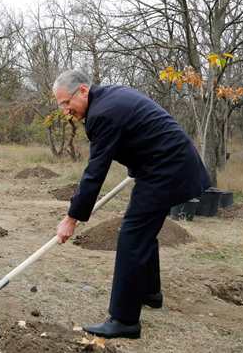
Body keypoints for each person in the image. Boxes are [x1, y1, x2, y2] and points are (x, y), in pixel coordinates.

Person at [53, 70, 210, 339]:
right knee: (141, 233)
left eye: (67, 103)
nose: (66, 111)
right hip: (165, 165)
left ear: (82, 91)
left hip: (166, 170)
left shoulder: (102, 113)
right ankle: (150, 292)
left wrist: (72, 217)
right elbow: (139, 132)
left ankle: (124, 320)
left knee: (132, 235)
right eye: (61, 105)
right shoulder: (109, 98)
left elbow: (95, 172)